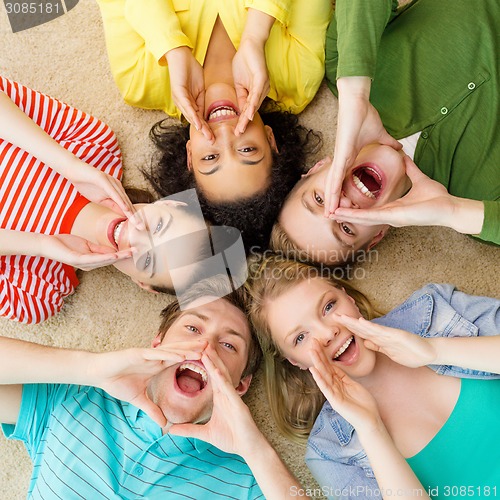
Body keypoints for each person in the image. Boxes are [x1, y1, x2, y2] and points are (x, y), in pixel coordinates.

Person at [0, 276, 304, 498]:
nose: (204, 347)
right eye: (193, 328)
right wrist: (91, 369)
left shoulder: (247, 479)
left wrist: (254, 449)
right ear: (158, 342)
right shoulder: (74, 398)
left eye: (228, 345)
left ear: (240, 385)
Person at [248, 255, 500, 498]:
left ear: (348, 298)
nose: (327, 333)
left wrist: (435, 350)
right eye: (300, 338)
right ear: (295, 361)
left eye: (328, 306)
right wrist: (371, 429)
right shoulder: (329, 451)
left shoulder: (434, 308)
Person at [96, 0, 328, 249]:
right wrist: (255, 36)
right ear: (270, 140)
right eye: (247, 150)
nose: (225, 133)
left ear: (189, 155)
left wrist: (172, 49)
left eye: (209, 158)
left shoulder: (138, 81)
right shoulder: (299, 76)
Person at [0, 76, 230, 324]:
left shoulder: (39, 295)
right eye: (160, 226)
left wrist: (40, 245)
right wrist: (68, 165)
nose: (134, 235)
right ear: (170, 204)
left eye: (148, 259)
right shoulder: (96, 147)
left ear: (143, 283)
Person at [314, 0, 498, 260]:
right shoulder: (477, 211)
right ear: (377, 235)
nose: (343, 203)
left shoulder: (343, 68)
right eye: (345, 226)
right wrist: (453, 212)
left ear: (317, 167)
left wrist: (356, 94)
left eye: (321, 200)